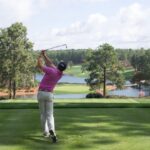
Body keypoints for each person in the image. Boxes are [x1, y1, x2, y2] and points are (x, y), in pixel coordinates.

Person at [37, 50, 67, 143]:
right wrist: (44, 55)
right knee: (50, 115)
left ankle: (46, 132)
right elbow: (50, 63)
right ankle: (52, 132)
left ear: (57, 66)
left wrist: (39, 58)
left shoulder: (50, 70)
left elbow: (40, 66)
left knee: (43, 114)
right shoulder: (60, 74)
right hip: (50, 95)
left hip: (41, 93)